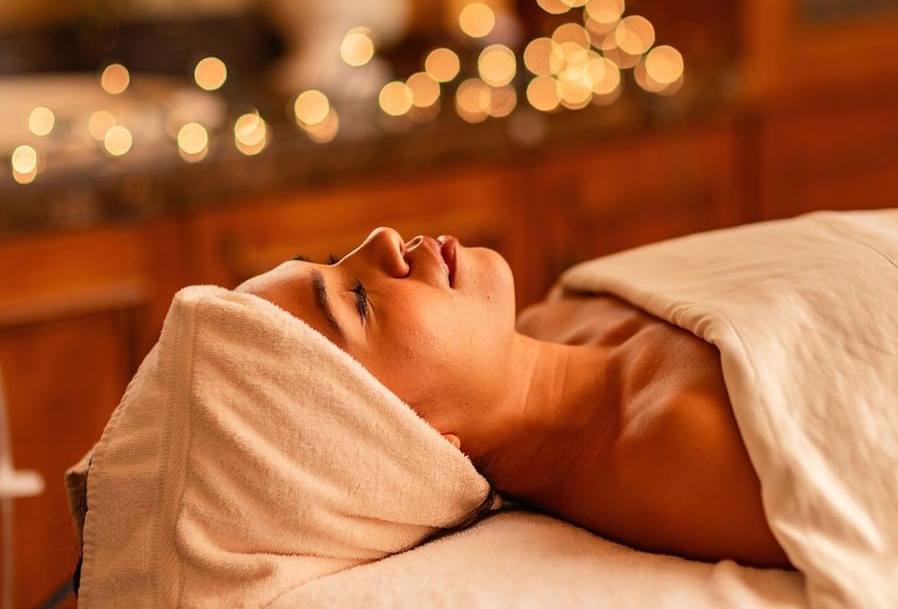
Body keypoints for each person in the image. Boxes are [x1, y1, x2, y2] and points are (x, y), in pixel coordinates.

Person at [236, 226, 791, 569]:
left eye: (334, 260)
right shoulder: (680, 447)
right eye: (357, 300)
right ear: (411, 441)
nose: (381, 238)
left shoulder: (561, 314)